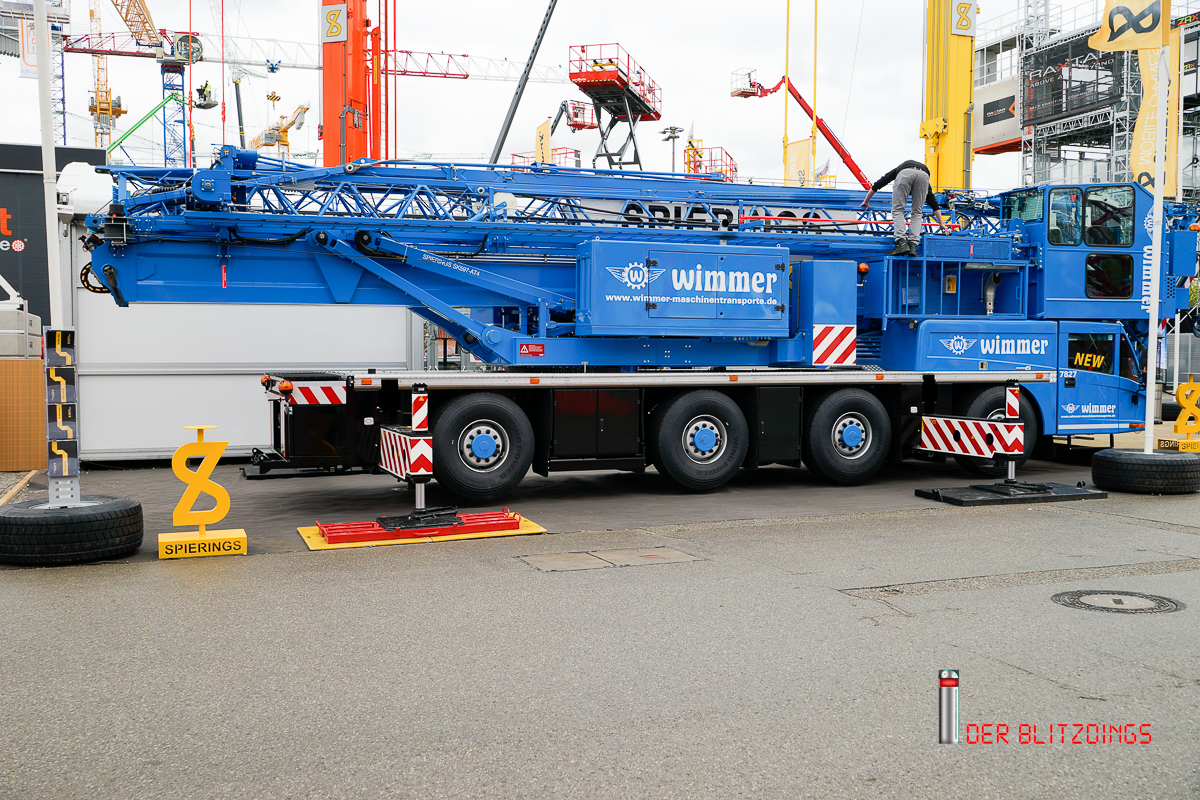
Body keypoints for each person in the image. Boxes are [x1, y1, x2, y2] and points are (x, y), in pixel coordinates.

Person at [860, 160, 949, 256]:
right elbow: (933, 201)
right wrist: (941, 223)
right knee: (917, 212)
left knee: (898, 209)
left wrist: (866, 201)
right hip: (924, 175)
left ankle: (901, 243)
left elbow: (879, 183)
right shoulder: (921, 176)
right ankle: (913, 246)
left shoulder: (898, 170)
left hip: (905, 173)